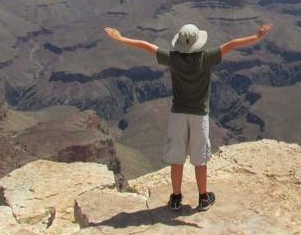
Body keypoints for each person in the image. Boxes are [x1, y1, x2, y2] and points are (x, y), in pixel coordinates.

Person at [104, 22, 273, 211]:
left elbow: (145, 45)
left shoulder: (173, 58)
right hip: (199, 115)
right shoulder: (205, 58)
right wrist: (257, 36)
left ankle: (176, 198)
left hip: (178, 114)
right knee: (200, 159)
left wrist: (120, 38)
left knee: (177, 158)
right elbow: (231, 44)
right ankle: (203, 198)